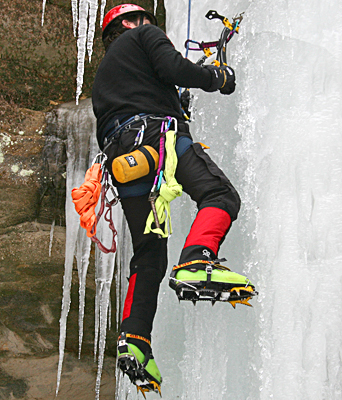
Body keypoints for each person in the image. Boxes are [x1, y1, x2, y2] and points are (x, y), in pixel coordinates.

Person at [91, 4, 255, 395]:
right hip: (156, 139)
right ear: (131, 24)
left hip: (124, 163)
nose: (152, 26)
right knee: (219, 194)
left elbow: (159, 89)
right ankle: (198, 259)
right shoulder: (144, 36)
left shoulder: (108, 75)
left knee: (148, 255)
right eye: (146, 20)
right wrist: (218, 76)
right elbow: (175, 68)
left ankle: (135, 341)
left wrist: (179, 100)